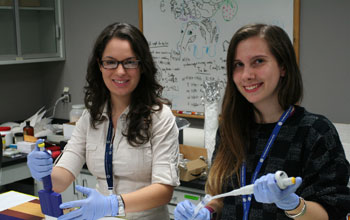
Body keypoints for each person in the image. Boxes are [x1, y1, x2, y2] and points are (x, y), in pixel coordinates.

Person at [174, 23, 350, 220]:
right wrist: (208, 209)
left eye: (258, 61)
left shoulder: (315, 131)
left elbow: (333, 211)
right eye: (238, 65)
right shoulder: (230, 129)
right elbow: (224, 194)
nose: (247, 75)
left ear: (283, 67)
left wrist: (292, 204)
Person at [27, 22, 180, 220]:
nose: (120, 71)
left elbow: (163, 190)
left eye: (130, 62)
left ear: (142, 66)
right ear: (100, 65)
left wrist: (113, 204)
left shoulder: (160, 117)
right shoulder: (91, 117)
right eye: (111, 62)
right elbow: (61, 180)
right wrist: (44, 173)